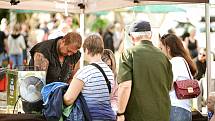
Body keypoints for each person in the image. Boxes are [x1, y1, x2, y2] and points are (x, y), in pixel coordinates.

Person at [117, 20, 173, 121]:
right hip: (162, 114)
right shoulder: (163, 57)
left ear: (132, 38)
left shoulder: (128, 54)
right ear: (150, 35)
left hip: (137, 115)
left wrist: (120, 113)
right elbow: (169, 87)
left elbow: (125, 86)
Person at [23, 32, 82, 113]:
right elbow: (40, 83)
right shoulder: (43, 51)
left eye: (72, 52)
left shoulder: (75, 55)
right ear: (63, 41)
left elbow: (73, 78)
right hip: (37, 99)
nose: (69, 54)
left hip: (58, 101)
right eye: (68, 50)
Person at [64, 34, 116, 121]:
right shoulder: (109, 72)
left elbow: (69, 99)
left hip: (90, 117)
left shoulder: (85, 72)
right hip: (109, 117)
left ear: (87, 50)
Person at [159, 34, 197, 121]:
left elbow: (169, 85)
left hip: (176, 108)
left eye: (161, 48)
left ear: (168, 48)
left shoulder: (175, 61)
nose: (160, 51)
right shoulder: (183, 61)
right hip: (185, 109)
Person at [101, 49, 118, 114]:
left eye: (109, 66)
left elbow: (115, 98)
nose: (107, 69)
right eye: (104, 66)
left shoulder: (115, 78)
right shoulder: (94, 76)